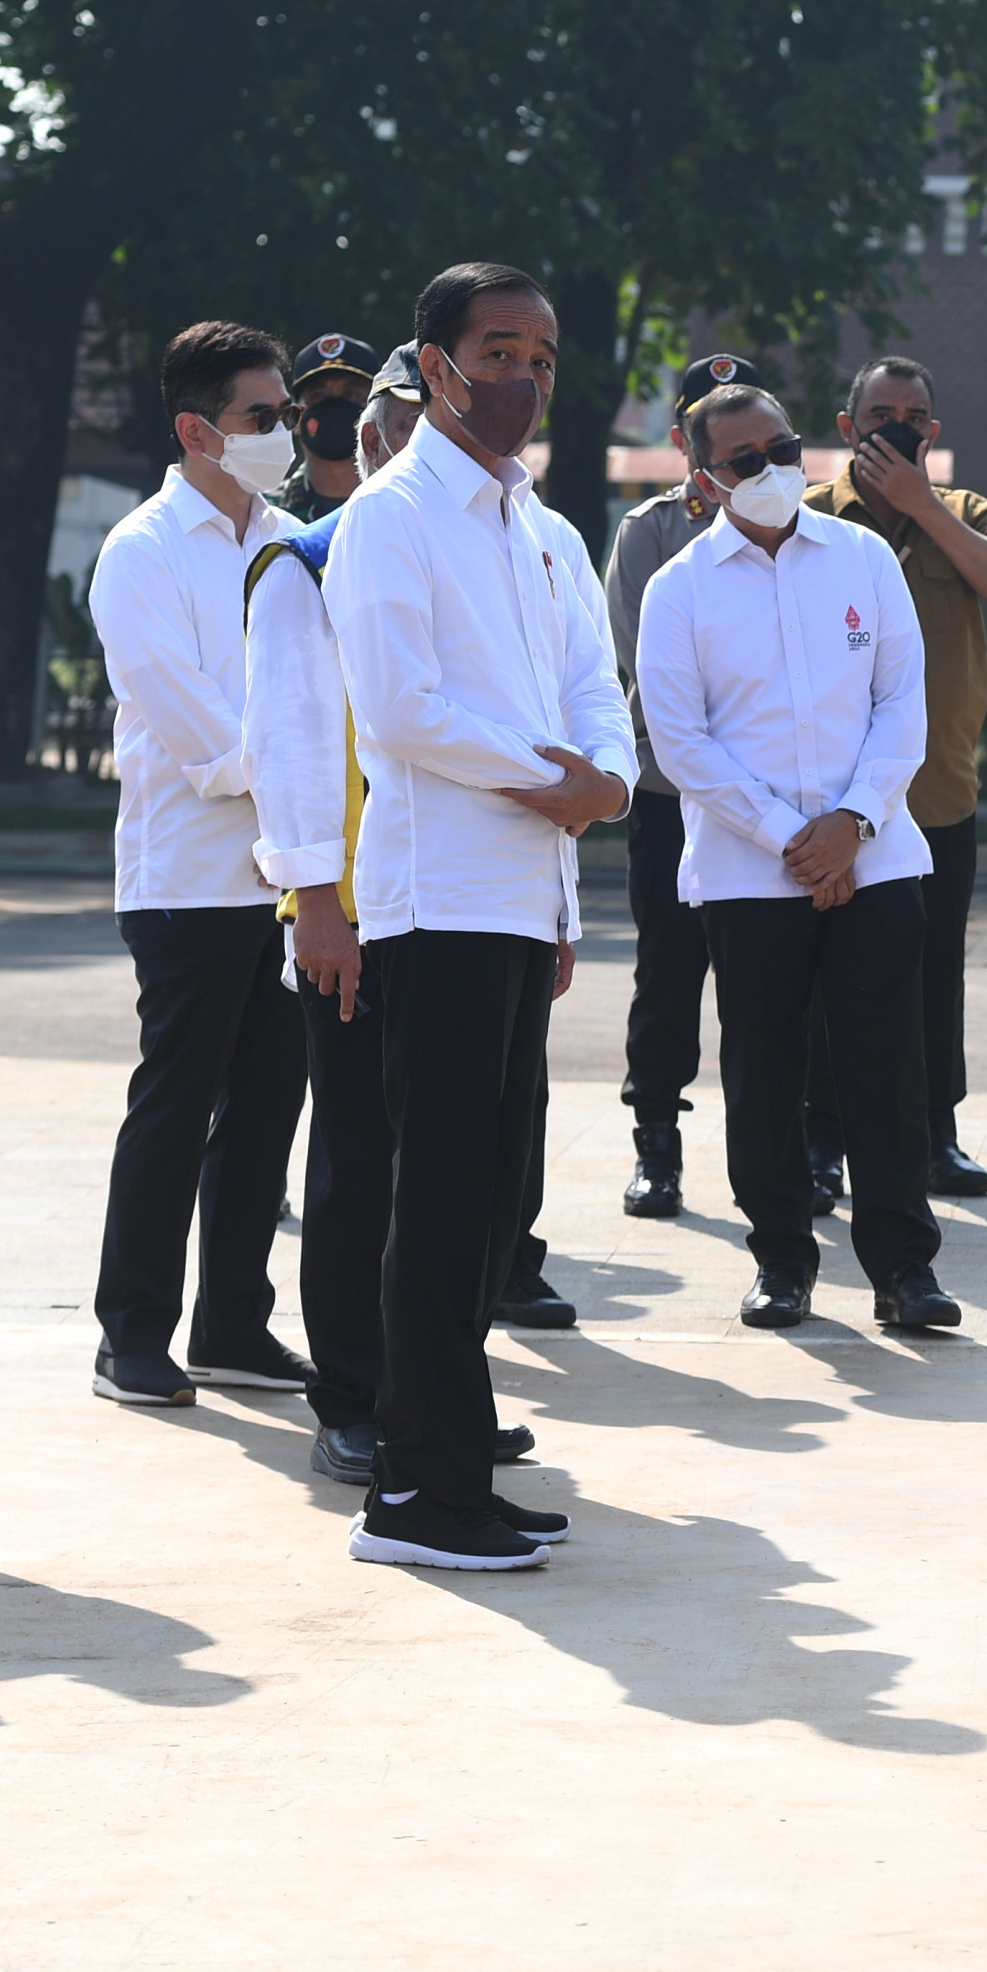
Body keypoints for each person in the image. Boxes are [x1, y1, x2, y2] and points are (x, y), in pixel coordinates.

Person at [325, 263, 634, 1570]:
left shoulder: (535, 525)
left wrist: (603, 776)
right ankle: (413, 1486)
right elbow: (401, 710)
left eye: (542, 356)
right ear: (436, 360)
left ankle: (454, 1455)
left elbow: (587, 679)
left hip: (519, 894)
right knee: (439, 1196)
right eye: (497, 348)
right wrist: (552, 777)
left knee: (488, 1201)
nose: (523, 376)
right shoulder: (394, 518)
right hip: (436, 893)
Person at [638, 381, 957, 1332]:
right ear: (703, 477)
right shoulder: (679, 587)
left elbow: (904, 703)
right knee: (765, 1072)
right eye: (747, 459)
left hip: (877, 859)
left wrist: (852, 825)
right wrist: (792, 838)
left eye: (785, 447)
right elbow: (680, 739)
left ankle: (905, 1269)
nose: (776, 469)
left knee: (885, 1068)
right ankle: (782, 1257)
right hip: (750, 872)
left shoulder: (862, 558)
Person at [84, 321, 313, 1407]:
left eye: (287, 417)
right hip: (189, 880)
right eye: (261, 418)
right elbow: (207, 746)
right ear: (194, 428)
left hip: (290, 882)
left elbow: (328, 699)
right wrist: (308, 777)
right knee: (175, 1110)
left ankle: (234, 1325)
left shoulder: (297, 541)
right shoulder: (141, 551)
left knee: (269, 1112)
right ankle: (131, 1331)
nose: (284, 434)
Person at [245, 343, 421, 1486]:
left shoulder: (512, 551)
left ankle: (432, 1390)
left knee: (455, 1174)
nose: (412, 440)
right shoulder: (308, 562)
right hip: (356, 916)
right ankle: (352, 1396)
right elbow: (296, 748)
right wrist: (317, 905)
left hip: (463, 910)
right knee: (357, 1167)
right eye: (391, 422)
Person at [802, 355, 987, 1199]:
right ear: (847, 426)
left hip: (935, 793)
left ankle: (935, 1133)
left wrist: (923, 507)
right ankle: (821, 1141)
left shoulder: (964, 513)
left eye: (915, 413)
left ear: (933, 431)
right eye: (881, 411)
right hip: (829, 801)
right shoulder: (809, 517)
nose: (898, 424)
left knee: (934, 972)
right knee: (825, 977)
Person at [603, 349, 757, 1220]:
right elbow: (642, 664)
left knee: (772, 980)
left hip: (773, 803)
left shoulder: (798, 526)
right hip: (671, 792)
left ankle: (792, 1145)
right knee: (668, 971)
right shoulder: (651, 531)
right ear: (685, 439)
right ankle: (656, 1141)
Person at [281, 331, 384, 519]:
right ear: (294, 417)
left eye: (351, 394)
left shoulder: (408, 506)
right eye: (317, 396)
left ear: (379, 410)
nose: (334, 407)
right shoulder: (266, 514)